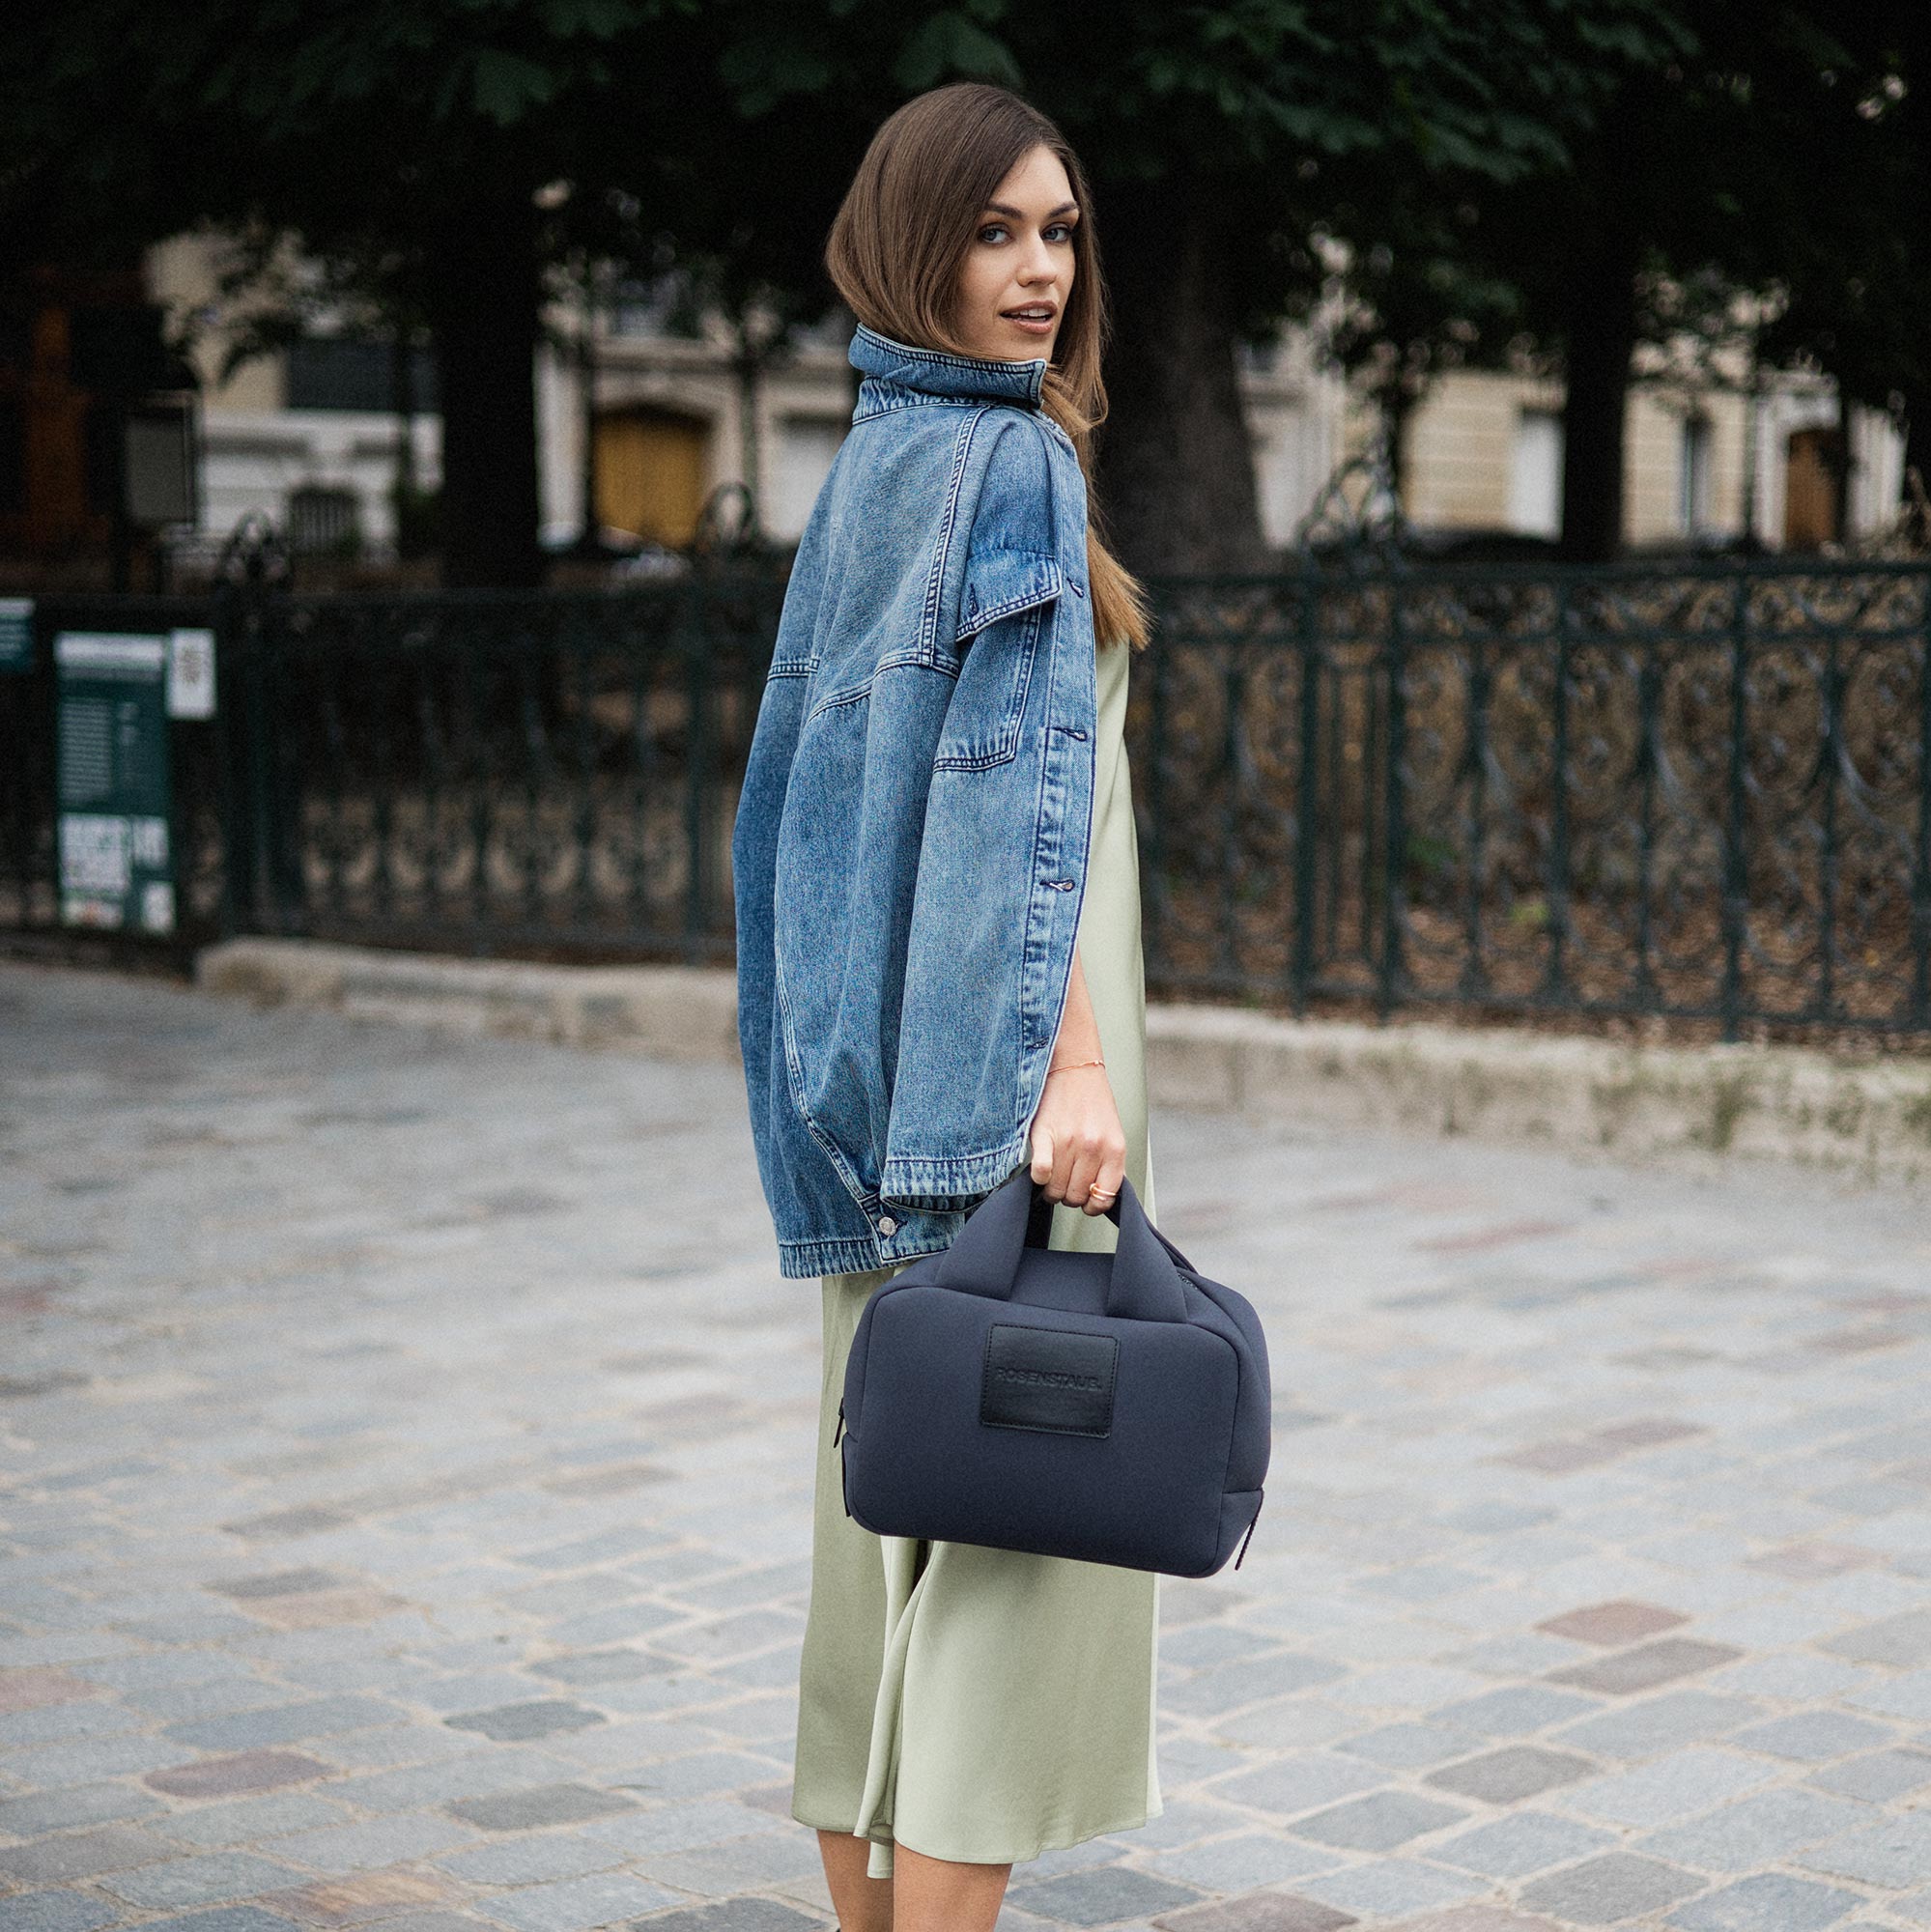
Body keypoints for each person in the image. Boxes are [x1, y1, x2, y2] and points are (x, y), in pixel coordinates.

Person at [729, 79, 1159, 1932]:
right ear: (914, 246)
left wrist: (847, 1092)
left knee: (875, 1536)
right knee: (1015, 1531)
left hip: (866, 1083)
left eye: (1058, 230)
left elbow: (785, 820)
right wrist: (1066, 1077)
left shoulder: (875, 463)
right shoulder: (1011, 470)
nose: (1039, 268)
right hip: (1006, 1074)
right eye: (993, 230)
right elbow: (1017, 804)